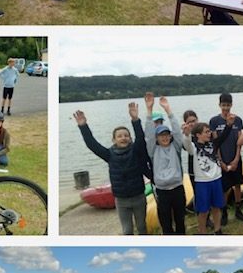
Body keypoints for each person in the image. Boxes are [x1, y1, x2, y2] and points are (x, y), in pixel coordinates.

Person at [74, 105, 150, 235]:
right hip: (121, 200)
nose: (123, 138)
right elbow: (92, 144)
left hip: (138, 197)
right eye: (119, 136)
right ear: (114, 140)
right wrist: (83, 126)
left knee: (142, 227)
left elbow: (140, 137)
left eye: (126, 135)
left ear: (130, 139)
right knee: (127, 230)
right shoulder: (109, 155)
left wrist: (135, 120)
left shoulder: (135, 151)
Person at [183, 113, 234, 235]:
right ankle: (202, 233)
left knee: (217, 207)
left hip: (216, 180)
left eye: (209, 131)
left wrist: (229, 124)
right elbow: (187, 145)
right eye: (206, 132)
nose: (209, 133)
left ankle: (218, 230)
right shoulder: (194, 148)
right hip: (202, 183)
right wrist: (186, 134)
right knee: (203, 211)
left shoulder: (213, 144)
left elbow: (223, 137)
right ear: (198, 135)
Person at [143, 93, 186, 235]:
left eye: (167, 134)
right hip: (162, 191)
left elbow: (177, 131)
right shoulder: (153, 149)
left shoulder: (176, 147)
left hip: (178, 189)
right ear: (157, 138)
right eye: (161, 135)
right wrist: (149, 110)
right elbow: (148, 134)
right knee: (166, 222)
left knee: (180, 220)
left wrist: (168, 110)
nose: (165, 137)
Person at [210, 93, 243, 225]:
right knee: (224, 188)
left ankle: (238, 209)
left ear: (231, 105)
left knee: (237, 185)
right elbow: (216, 143)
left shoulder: (238, 120)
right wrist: (221, 162)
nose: (226, 108)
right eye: (223, 105)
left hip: (235, 157)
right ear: (219, 105)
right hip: (222, 160)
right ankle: (224, 212)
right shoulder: (214, 121)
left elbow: (239, 141)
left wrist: (237, 158)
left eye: (228, 105)